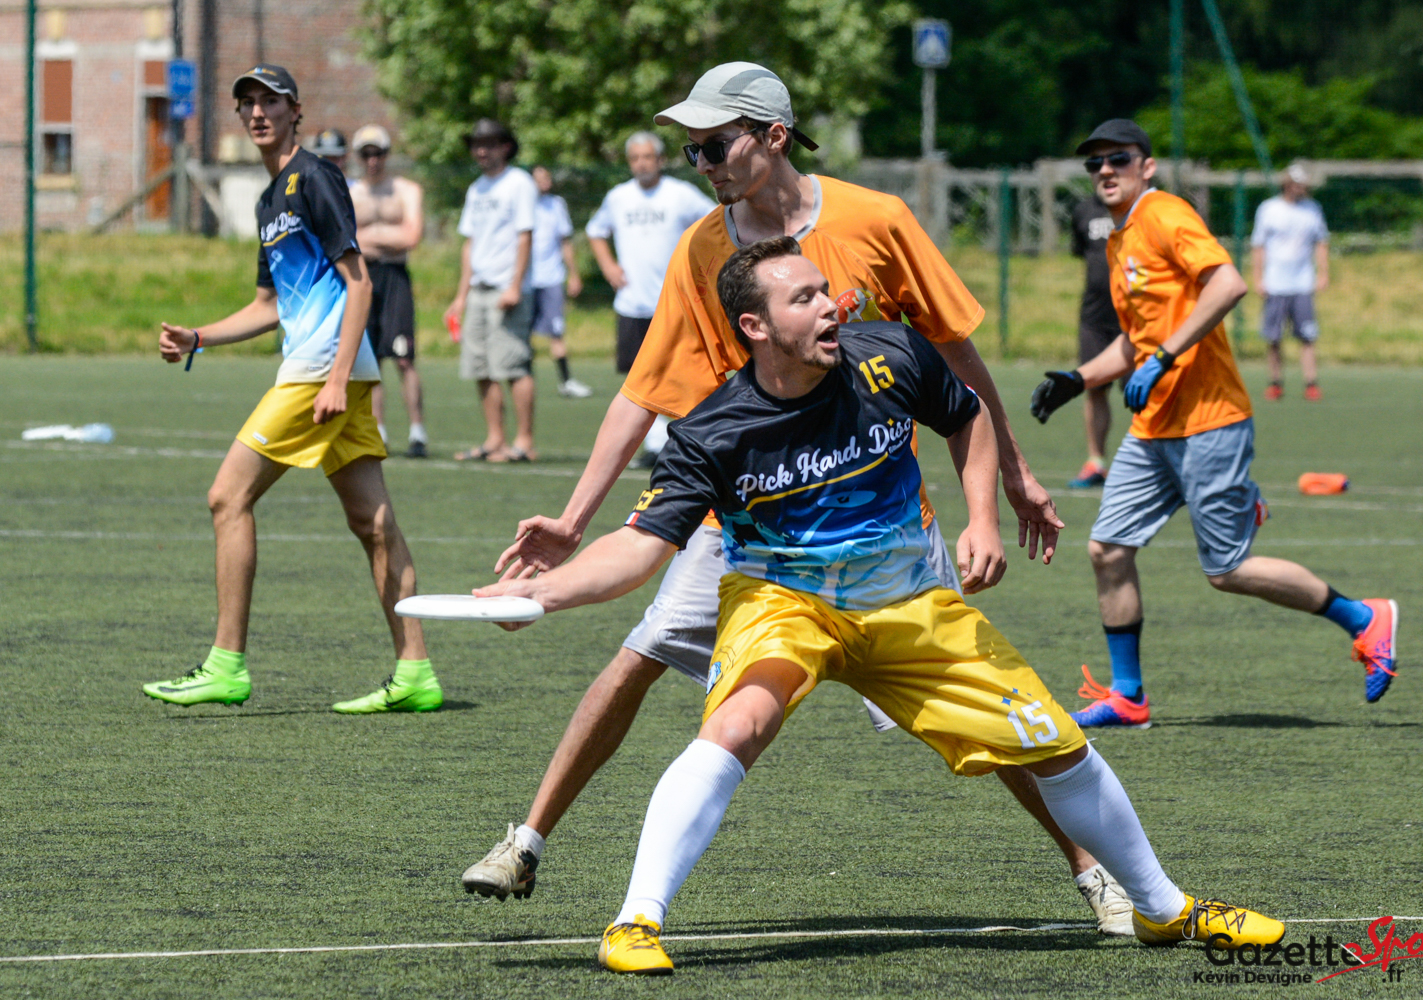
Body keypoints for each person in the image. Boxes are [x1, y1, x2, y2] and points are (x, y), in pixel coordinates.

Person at [476, 239, 1286, 974]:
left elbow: (968, 418)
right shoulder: (713, 430)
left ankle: (1165, 909)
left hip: (908, 601)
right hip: (783, 603)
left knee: (1057, 745)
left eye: (824, 290)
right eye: (804, 299)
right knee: (735, 725)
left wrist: (980, 517)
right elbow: (640, 547)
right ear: (755, 327)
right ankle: (634, 923)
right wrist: (544, 591)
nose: (830, 306)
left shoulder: (891, 353)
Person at [462, 62, 1133, 938]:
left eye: (714, 144)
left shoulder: (875, 219)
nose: (701, 162)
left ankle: (1094, 872)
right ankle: (528, 840)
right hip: (748, 513)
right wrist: (572, 520)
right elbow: (643, 390)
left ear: (774, 136)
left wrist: (1010, 476)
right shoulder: (703, 248)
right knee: (639, 655)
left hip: (876, 524)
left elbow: (953, 357)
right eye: (691, 149)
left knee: (989, 712)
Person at [1029, 120, 1397, 730]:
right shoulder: (1119, 239)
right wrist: (1078, 378)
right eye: (1095, 163)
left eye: (1118, 158)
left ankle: (1365, 618)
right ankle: (1128, 696)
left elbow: (1228, 283)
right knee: (1107, 549)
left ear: (1147, 165)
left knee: (1226, 571)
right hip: (1154, 427)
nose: (1105, 171)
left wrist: (1165, 356)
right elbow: (1136, 339)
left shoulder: (1165, 213)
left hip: (1210, 421)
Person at [145, 64, 441, 715]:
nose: (257, 112)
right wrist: (199, 337)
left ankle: (226, 665)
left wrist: (334, 377)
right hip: (332, 371)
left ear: (294, 110)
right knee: (373, 523)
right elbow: (268, 304)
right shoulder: (268, 200)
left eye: (270, 101)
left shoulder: (315, 178)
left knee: (227, 497)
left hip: (319, 373)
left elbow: (359, 282)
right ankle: (416, 671)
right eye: (247, 102)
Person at [585, 131, 715, 464]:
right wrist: (608, 266)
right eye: (635, 158)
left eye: (647, 157)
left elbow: (716, 223)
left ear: (660, 160)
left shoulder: (680, 194)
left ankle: (679, 442)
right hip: (632, 303)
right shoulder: (618, 197)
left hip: (674, 303)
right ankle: (656, 443)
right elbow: (595, 231)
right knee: (639, 377)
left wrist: (698, 269)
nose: (641, 164)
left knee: (678, 373)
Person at [445, 119, 538, 463]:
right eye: (477, 144)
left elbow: (524, 236)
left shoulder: (519, 183)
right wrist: (461, 296)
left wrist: (515, 285)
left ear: (505, 147)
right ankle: (495, 439)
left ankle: (524, 442)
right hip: (478, 290)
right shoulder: (476, 189)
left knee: (514, 365)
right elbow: (469, 244)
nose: (481, 151)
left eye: (489, 144)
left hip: (506, 289)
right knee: (480, 368)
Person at [349, 124, 428, 458]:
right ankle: (378, 430)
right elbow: (345, 241)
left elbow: (412, 236)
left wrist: (368, 237)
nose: (373, 160)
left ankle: (417, 432)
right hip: (364, 276)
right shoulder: (351, 194)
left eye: (378, 153)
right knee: (371, 359)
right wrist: (388, 237)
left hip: (396, 276)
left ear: (387, 154)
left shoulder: (406, 190)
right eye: (366, 154)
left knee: (404, 357)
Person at [1252, 164, 1329, 401]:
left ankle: (1311, 383)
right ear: (1286, 183)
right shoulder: (1269, 209)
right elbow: (1258, 245)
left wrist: (1323, 273)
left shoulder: (1313, 209)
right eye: (1296, 184)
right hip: (1275, 283)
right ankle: (1275, 383)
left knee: (1307, 336)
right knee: (1273, 337)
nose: (1300, 188)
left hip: (1302, 283)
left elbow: (1321, 242)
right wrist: (1258, 277)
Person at [1066, 192, 1125, 488]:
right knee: (1094, 388)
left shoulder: (1144, 209)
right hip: (1095, 317)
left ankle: (1156, 464)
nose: (1104, 171)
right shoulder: (1084, 210)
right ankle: (1096, 462)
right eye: (1095, 168)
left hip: (1135, 317)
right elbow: (1081, 253)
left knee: (1146, 392)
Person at [529, 164, 592, 399]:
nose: (545, 180)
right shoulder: (522, 205)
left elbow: (565, 242)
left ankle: (566, 382)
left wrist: (573, 274)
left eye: (547, 176)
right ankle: (523, 382)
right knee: (522, 335)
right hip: (525, 281)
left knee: (556, 331)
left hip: (551, 278)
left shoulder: (557, 204)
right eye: (539, 177)